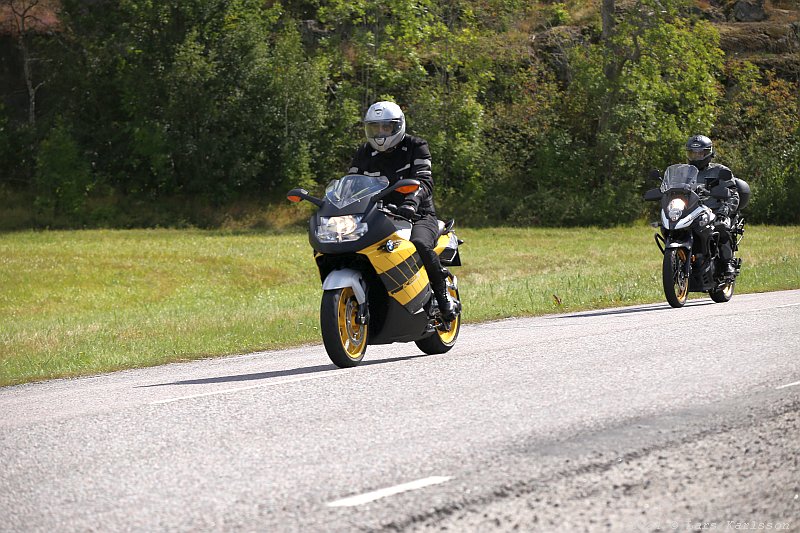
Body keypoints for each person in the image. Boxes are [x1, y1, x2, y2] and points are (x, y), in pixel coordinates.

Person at [348, 101, 458, 321]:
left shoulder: (416, 146)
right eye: (375, 128)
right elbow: (350, 184)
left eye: (386, 127)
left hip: (418, 214)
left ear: (397, 126)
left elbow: (424, 181)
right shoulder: (363, 152)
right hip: (375, 215)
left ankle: (442, 296)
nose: (380, 133)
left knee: (420, 244)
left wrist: (411, 203)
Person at [685, 134, 740, 276]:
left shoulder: (720, 171)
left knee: (721, 226)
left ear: (708, 153)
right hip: (691, 212)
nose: (696, 157)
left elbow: (733, 193)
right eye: (692, 153)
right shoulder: (684, 172)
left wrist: (725, 209)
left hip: (715, 211)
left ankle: (727, 263)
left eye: (700, 153)